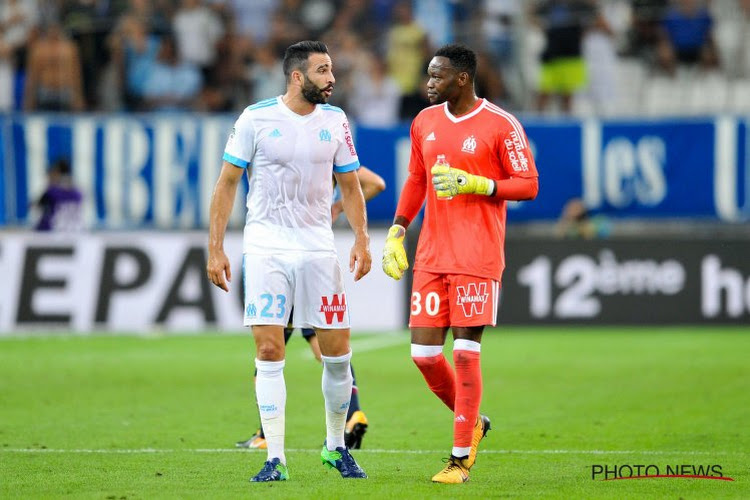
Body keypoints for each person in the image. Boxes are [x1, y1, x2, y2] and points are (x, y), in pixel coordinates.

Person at [206, 40, 371, 483]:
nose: (331, 78)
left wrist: (361, 239)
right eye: (322, 70)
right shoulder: (256, 118)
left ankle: (336, 447)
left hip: (318, 248)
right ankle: (274, 458)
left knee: (337, 355)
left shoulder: (336, 122)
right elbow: (226, 184)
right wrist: (216, 247)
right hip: (266, 248)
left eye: (332, 69)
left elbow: (352, 185)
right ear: (297, 77)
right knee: (268, 349)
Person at [381, 43, 539, 484]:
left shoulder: (499, 124)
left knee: (466, 354)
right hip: (432, 255)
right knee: (425, 355)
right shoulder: (424, 122)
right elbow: (416, 178)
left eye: (437, 76)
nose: (427, 83)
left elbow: (528, 185)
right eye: (428, 75)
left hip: (476, 255)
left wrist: (479, 183)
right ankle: (474, 422)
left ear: (463, 79)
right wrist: (397, 230)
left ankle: (459, 459)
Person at [237, 166, 386, 451]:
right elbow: (376, 183)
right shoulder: (327, 158)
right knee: (326, 351)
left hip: (284, 258)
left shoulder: (290, 158)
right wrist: (338, 207)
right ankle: (353, 413)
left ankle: (266, 435)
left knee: (267, 356)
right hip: (315, 259)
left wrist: (339, 206)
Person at [33, 158, 83, 231]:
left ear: (57, 173)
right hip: (76, 231)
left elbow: (37, 206)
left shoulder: (52, 192)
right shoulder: (78, 192)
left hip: (55, 232)